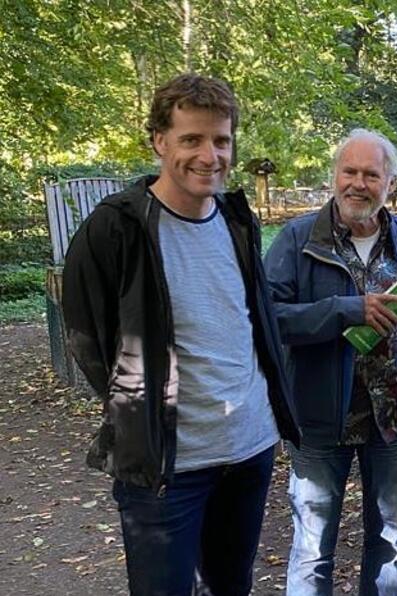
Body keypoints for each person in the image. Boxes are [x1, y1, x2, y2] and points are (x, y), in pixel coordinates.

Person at [61, 73, 301, 595]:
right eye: (191, 139)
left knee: (230, 586)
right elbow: (86, 335)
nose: (209, 155)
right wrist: (139, 409)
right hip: (168, 464)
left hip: (249, 448)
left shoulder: (237, 219)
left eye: (220, 140)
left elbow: (250, 320)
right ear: (159, 140)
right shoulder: (118, 226)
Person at [264, 128, 397, 596]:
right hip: (320, 418)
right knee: (311, 547)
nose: (358, 183)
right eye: (350, 171)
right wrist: (345, 310)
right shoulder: (298, 238)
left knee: (389, 541)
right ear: (334, 176)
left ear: (390, 184)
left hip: (392, 416)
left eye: (371, 174)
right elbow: (268, 319)